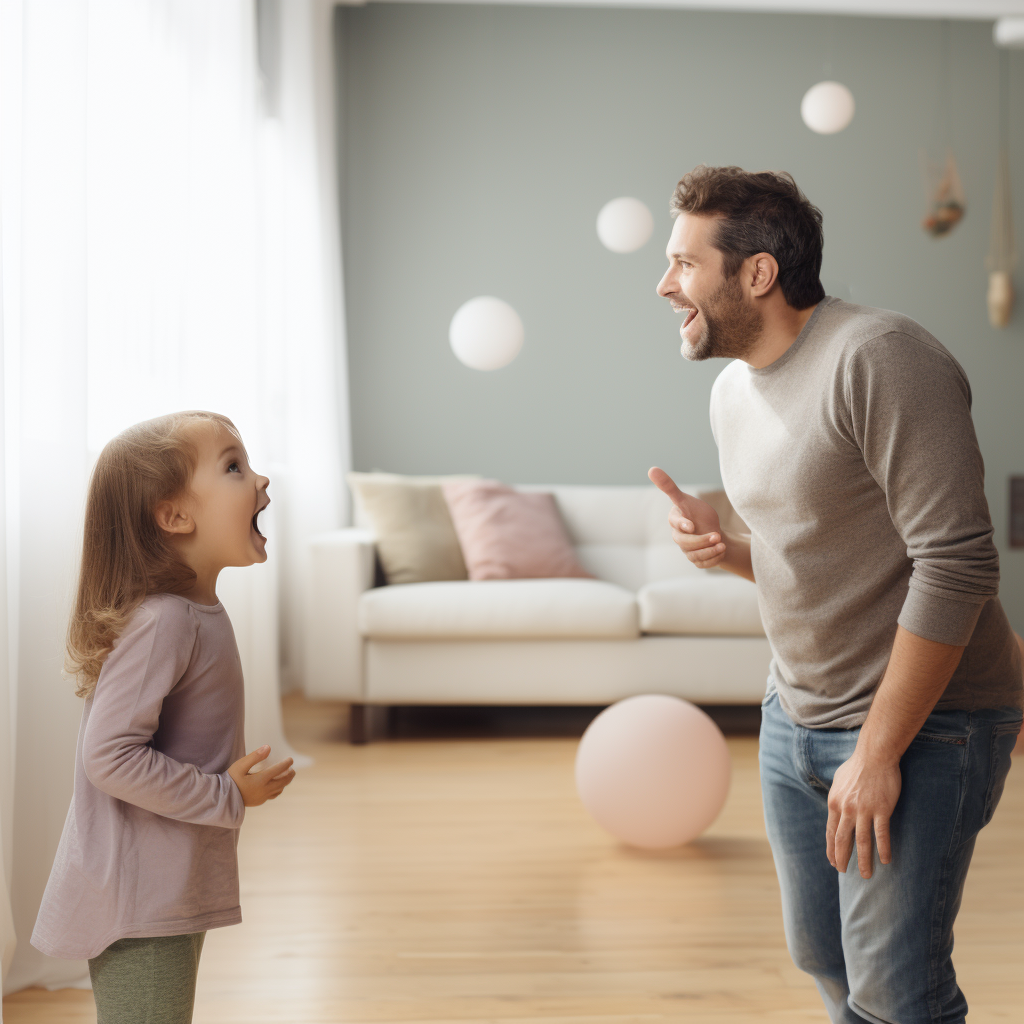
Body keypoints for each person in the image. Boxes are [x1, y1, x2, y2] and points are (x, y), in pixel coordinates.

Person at [648, 165, 1023, 1024]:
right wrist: (733, 552)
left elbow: (958, 561)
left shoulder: (882, 357)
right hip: (797, 716)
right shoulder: (731, 391)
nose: (666, 285)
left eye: (683, 262)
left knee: (898, 990)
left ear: (756, 273)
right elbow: (827, 549)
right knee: (824, 956)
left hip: (928, 725)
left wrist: (879, 753)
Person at [31, 410, 296, 1024]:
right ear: (175, 516)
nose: (259, 480)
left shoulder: (192, 612)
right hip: (142, 895)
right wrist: (225, 794)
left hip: (167, 882)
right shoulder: (164, 621)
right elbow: (109, 756)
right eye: (233, 466)